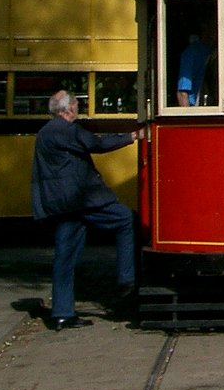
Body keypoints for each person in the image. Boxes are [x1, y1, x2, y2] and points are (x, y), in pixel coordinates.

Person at [30, 89, 143, 330]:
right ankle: (126, 279)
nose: (78, 111)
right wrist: (133, 136)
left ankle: (62, 314)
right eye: (77, 106)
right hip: (80, 200)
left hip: (62, 206)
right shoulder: (65, 129)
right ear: (69, 109)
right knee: (126, 220)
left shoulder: (45, 132)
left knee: (64, 257)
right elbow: (96, 144)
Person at [175, 30, 212, 106]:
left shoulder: (209, 51)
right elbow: (183, 92)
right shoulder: (191, 53)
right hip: (196, 107)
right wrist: (188, 116)